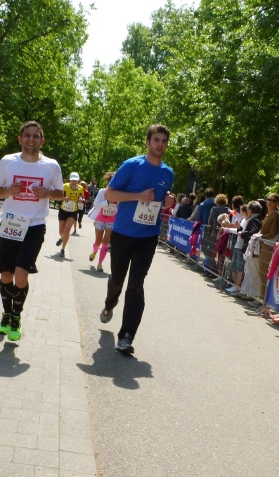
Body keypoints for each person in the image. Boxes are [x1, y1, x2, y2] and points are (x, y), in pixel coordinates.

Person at [99, 124, 174, 354]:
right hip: (123, 233)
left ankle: (126, 336)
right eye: (156, 140)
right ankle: (109, 303)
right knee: (117, 280)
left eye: (164, 141)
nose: (160, 144)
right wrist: (137, 196)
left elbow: (161, 201)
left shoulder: (168, 173)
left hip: (148, 237)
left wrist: (168, 202)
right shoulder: (132, 165)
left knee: (136, 285)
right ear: (148, 142)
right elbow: (110, 194)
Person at [0, 121, 64, 341]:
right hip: (10, 224)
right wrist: (8, 191)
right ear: (20, 139)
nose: (31, 139)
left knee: (21, 275)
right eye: (27, 135)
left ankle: (16, 316)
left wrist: (47, 193)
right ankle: (6, 314)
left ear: (42, 140)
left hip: (34, 225)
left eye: (35, 136)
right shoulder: (8, 161)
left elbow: (60, 194)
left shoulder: (51, 166)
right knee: (6, 274)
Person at [88, 171, 117, 272]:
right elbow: (96, 204)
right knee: (98, 241)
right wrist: (108, 202)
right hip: (100, 219)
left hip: (111, 220)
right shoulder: (102, 191)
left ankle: (100, 264)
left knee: (106, 240)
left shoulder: (120, 193)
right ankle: (94, 251)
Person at [258, 193, 279, 297]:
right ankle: (261, 296)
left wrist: (260, 236)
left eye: (272, 200)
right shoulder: (268, 214)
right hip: (263, 244)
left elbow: (273, 233)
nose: (269, 202)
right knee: (261, 271)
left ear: (277, 203)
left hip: (269, 245)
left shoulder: (276, 216)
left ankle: (263, 298)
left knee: (264, 271)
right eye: (268, 199)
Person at [237, 201, 263, 299]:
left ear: (250, 210)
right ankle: (245, 291)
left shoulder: (255, 220)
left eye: (248, 209)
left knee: (252, 271)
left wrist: (243, 234)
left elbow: (253, 232)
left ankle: (254, 294)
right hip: (250, 249)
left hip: (253, 249)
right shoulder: (254, 219)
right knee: (248, 271)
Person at [56, 172, 84, 257]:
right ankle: (62, 238)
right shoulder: (65, 186)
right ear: (70, 179)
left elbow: (82, 197)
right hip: (63, 210)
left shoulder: (80, 188)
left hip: (73, 211)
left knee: (67, 230)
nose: (74, 182)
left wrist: (81, 199)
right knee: (61, 231)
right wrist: (64, 198)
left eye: (75, 180)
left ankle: (63, 249)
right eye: (72, 180)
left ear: (78, 180)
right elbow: (58, 196)